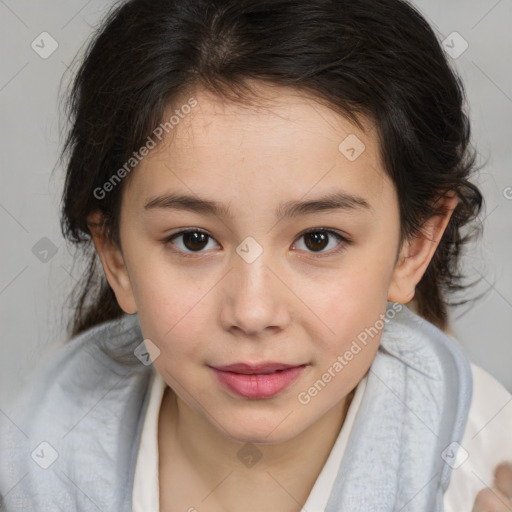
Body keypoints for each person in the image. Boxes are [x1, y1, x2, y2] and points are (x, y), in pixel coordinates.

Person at [0, 0, 511, 510]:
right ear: (115, 255)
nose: (252, 312)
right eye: (193, 240)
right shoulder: (38, 459)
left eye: (318, 239)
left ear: (414, 246)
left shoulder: (480, 472)